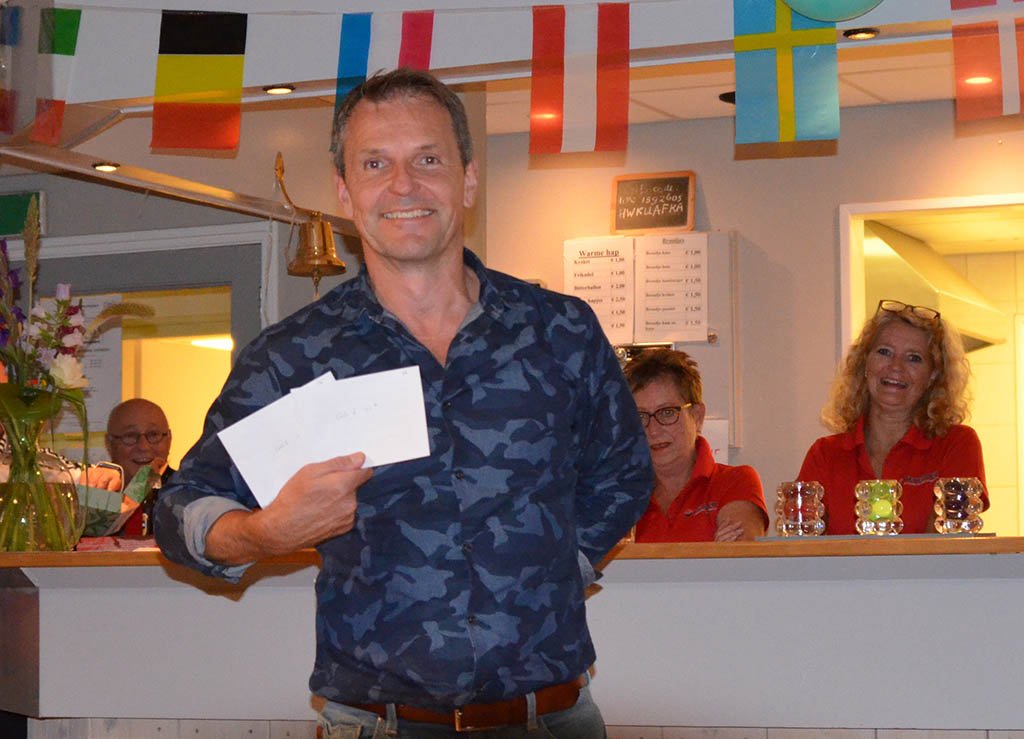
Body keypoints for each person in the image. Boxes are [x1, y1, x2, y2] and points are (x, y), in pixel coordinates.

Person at [155, 68, 653, 737]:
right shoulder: (293, 356)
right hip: (380, 724)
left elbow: (622, 473)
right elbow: (180, 508)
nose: (403, 185)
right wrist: (265, 532)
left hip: (554, 718)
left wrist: (558, 569)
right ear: (345, 191)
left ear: (467, 180)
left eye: (427, 160)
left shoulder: (559, 330)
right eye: (375, 164)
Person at [797, 299, 987, 534]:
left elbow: (948, 543)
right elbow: (803, 547)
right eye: (884, 352)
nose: (896, 366)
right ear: (864, 364)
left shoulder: (957, 444)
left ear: (933, 376)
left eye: (914, 358)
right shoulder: (825, 455)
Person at [623, 348, 767, 542]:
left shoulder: (734, 482)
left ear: (697, 417)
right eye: (640, 416)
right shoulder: (618, 494)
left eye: (667, 412)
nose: (653, 430)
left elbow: (739, 557)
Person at [105, 398, 174, 536]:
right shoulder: (96, 493)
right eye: (130, 436)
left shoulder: (188, 490)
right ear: (109, 444)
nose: (143, 446)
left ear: (169, 440)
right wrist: (140, 486)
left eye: (153, 435)